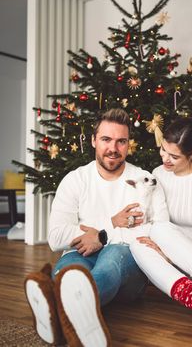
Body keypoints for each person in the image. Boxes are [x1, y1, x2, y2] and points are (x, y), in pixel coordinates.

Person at [24, 108, 163, 347]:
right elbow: (56, 238)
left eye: (121, 141)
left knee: (112, 255)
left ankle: (54, 313)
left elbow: (156, 232)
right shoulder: (75, 180)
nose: (114, 148)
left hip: (126, 266)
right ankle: (72, 318)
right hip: (81, 253)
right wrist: (111, 223)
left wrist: (100, 236)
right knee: (70, 274)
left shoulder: (144, 180)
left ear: (128, 144)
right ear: (93, 140)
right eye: (106, 139)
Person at [130, 117, 192, 339]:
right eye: (163, 150)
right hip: (179, 270)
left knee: (159, 230)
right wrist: (168, 254)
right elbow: (156, 223)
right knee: (140, 242)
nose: (165, 159)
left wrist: (177, 258)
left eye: (174, 156)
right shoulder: (157, 175)